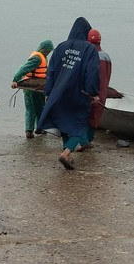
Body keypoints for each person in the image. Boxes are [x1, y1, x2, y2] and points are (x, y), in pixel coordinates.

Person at [37, 17, 100, 170]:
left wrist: (49, 92)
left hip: (59, 93)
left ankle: (67, 153)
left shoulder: (60, 47)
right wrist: (93, 93)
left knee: (63, 123)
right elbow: (91, 73)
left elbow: (50, 72)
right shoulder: (89, 49)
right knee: (79, 125)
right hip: (78, 94)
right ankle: (67, 152)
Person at [11, 40, 54, 138]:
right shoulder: (37, 58)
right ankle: (39, 128)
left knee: (30, 109)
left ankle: (29, 131)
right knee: (39, 108)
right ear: (44, 49)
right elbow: (24, 68)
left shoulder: (41, 57)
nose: (49, 52)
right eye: (48, 50)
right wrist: (15, 79)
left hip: (29, 88)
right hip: (35, 88)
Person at [82, 28, 112, 147]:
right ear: (100, 41)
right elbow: (108, 76)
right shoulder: (106, 56)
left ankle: (83, 141)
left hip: (88, 92)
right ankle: (88, 141)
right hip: (102, 93)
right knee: (95, 118)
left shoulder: (86, 55)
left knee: (83, 116)